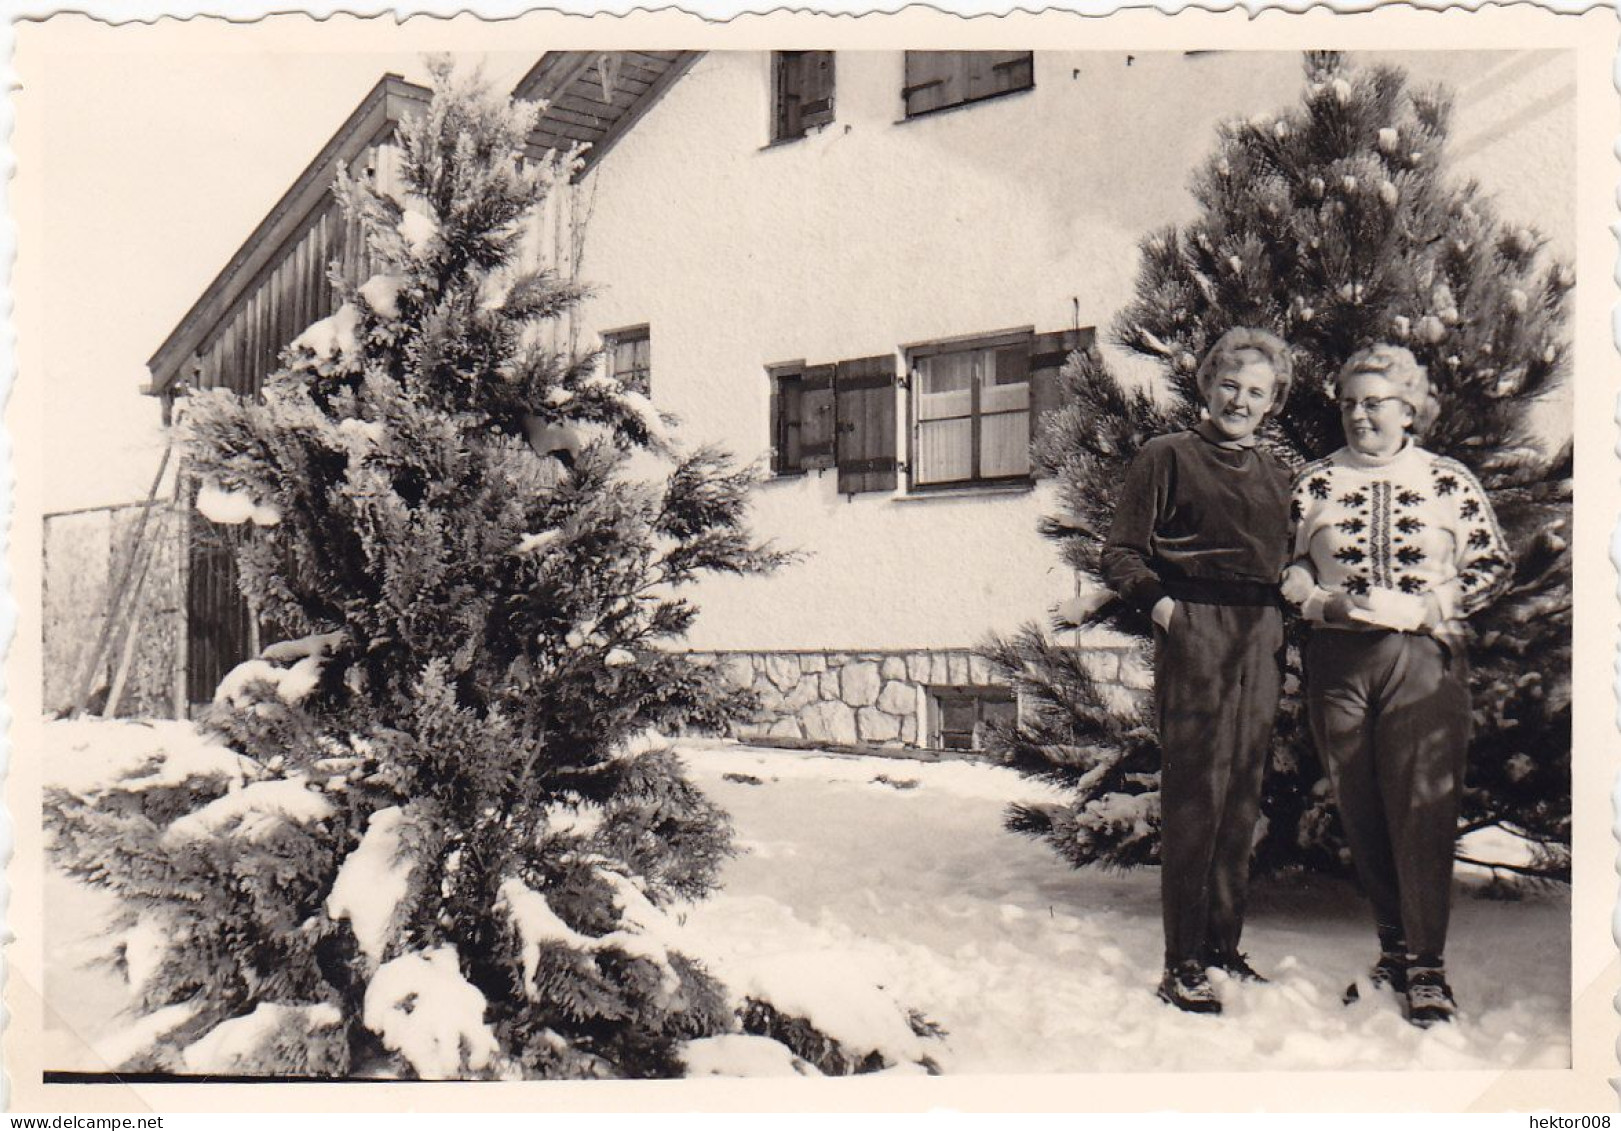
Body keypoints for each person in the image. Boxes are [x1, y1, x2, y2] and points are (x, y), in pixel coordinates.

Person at [1282, 344, 1511, 1027]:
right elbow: (1285, 570)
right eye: (1349, 402)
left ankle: (1428, 966)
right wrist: (1323, 605)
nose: (1359, 415)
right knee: (1361, 809)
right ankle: (1393, 950)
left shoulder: (1444, 480)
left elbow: (1491, 564)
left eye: (1374, 402)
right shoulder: (1314, 482)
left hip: (1420, 657)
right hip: (1337, 662)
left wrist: (1431, 607)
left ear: (1408, 408)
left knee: (1421, 808)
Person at [1101, 327, 1294, 1015]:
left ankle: (1221, 945)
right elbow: (1121, 552)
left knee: (1242, 793)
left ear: (1272, 402)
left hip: (1261, 633)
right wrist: (1167, 613)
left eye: (1256, 392)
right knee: (1194, 797)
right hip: (1197, 628)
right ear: (1206, 385)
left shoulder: (1277, 472)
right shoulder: (1167, 456)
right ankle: (1180, 959)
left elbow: (1288, 557)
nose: (1240, 400)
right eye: (1230, 385)